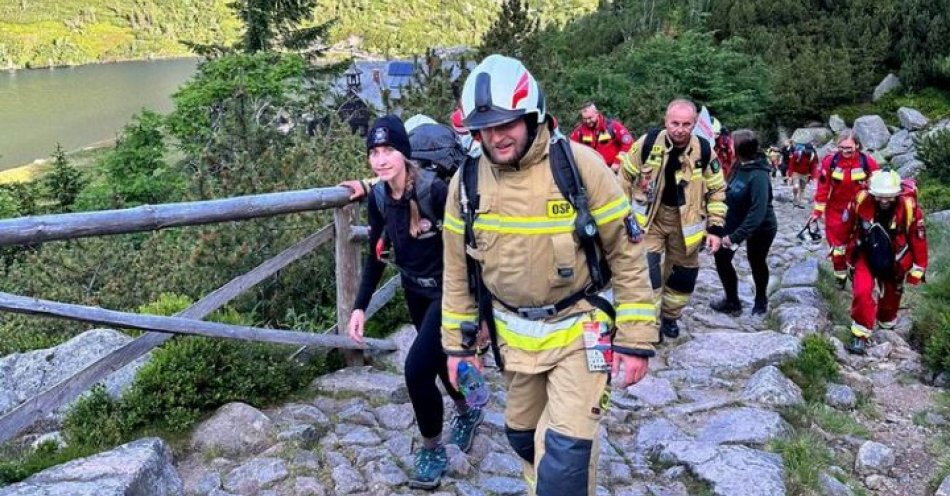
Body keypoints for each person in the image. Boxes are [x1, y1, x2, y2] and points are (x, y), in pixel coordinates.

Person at [442, 54, 658, 496]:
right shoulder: (466, 183)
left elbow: (627, 255)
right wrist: (458, 347)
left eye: (506, 124)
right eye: (484, 128)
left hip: (581, 331)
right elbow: (458, 271)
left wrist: (636, 340)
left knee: (564, 456)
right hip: (515, 341)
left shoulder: (580, 168)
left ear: (532, 114)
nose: (495, 138)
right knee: (523, 437)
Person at [346, 115, 483, 490]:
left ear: (404, 152)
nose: (380, 158)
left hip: (447, 292)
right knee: (438, 361)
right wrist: (359, 307)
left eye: (388, 149)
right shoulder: (378, 197)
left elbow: (468, 250)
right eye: (374, 152)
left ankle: (432, 447)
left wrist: (479, 312)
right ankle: (468, 407)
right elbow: (376, 254)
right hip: (413, 289)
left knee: (415, 368)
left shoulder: (433, 191)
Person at [618, 99, 728, 338]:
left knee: (682, 279)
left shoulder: (705, 150)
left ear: (695, 124)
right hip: (650, 220)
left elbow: (717, 189)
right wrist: (625, 217)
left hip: (687, 223)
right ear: (665, 121)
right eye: (674, 123)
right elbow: (624, 177)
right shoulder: (647, 143)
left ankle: (670, 317)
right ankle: (651, 326)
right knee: (648, 274)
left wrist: (716, 228)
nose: (680, 129)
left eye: (686, 124)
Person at [840, 170, 927, 354]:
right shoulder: (861, 201)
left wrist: (918, 268)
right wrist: (839, 253)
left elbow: (918, 239)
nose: (884, 201)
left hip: (896, 258)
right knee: (862, 291)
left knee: (890, 300)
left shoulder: (909, 208)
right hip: (866, 253)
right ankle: (860, 334)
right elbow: (846, 227)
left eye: (888, 197)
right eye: (879, 196)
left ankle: (886, 325)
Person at [710, 129, 777, 316]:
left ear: (740, 147)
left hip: (761, 227)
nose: (727, 145)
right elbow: (728, 190)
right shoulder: (739, 166)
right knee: (722, 257)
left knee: (756, 262)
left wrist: (735, 237)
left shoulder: (759, 176)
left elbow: (758, 212)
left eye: (731, 143)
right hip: (736, 220)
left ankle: (761, 300)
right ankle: (732, 301)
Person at [810, 130, 880, 289]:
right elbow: (822, 188)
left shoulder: (868, 162)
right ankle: (840, 277)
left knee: (860, 245)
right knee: (837, 247)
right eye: (842, 147)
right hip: (836, 211)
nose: (845, 151)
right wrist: (817, 212)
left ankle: (857, 272)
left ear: (857, 145)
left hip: (862, 211)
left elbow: (878, 186)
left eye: (849, 147)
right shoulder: (830, 162)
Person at [569, 102, 635, 172]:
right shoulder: (580, 131)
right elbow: (570, 147)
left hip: (613, 171)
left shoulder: (612, 126)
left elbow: (628, 143)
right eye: (584, 119)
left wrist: (618, 162)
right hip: (592, 171)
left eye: (590, 118)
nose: (588, 121)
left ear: (597, 113)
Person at [788, 141, 819, 208]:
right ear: (804, 149)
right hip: (796, 173)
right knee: (796, 186)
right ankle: (795, 197)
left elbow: (813, 167)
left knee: (802, 189)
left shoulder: (813, 156)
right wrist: (790, 175)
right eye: (807, 150)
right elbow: (791, 164)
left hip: (805, 174)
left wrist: (814, 177)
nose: (808, 152)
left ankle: (800, 202)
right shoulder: (797, 154)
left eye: (810, 150)